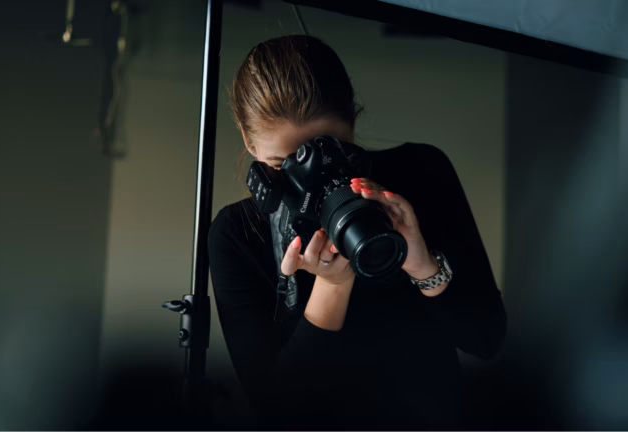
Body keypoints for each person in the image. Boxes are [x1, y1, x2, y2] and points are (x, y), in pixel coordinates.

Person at [207, 35, 506, 430]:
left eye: (331, 154)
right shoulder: (236, 234)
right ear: (249, 143)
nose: (311, 182)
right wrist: (332, 286)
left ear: (352, 123)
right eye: (284, 164)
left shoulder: (420, 175)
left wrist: (421, 265)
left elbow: (485, 340)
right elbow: (278, 408)